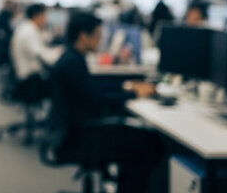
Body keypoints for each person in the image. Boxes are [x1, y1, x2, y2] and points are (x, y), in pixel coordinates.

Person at [48, 12, 163, 193]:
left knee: (143, 140)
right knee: (150, 144)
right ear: (84, 36)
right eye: (98, 35)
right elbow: (99, 99)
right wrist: (134, 94)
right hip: (79, 136)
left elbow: (92, 87)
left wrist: (128, 86)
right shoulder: (71, 63)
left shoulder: (71, 56)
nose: (101, 41)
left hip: (74, 129)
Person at [11, 3, 62, 82]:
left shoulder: (28, 27)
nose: (47, 19)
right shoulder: (28, 32)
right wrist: (62, 52)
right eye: (45, 16)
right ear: (38, 16)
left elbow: (44, 45)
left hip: (31, 74)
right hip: (30, 80)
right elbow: (47, 58)